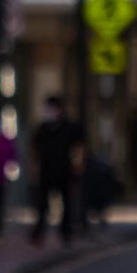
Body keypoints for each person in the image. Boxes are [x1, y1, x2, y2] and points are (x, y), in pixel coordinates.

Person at [29, 96, 85, 247]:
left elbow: (78, 148)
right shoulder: (42, 129)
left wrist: (78, 165)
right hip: (46, 171)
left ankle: (66, 233)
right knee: (42, 205)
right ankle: (39, 233)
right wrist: (33, 168)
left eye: (53, 108)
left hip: (65, 171)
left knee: (66, 203)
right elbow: (34, 149)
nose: (50, 112)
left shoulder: (69, 128)